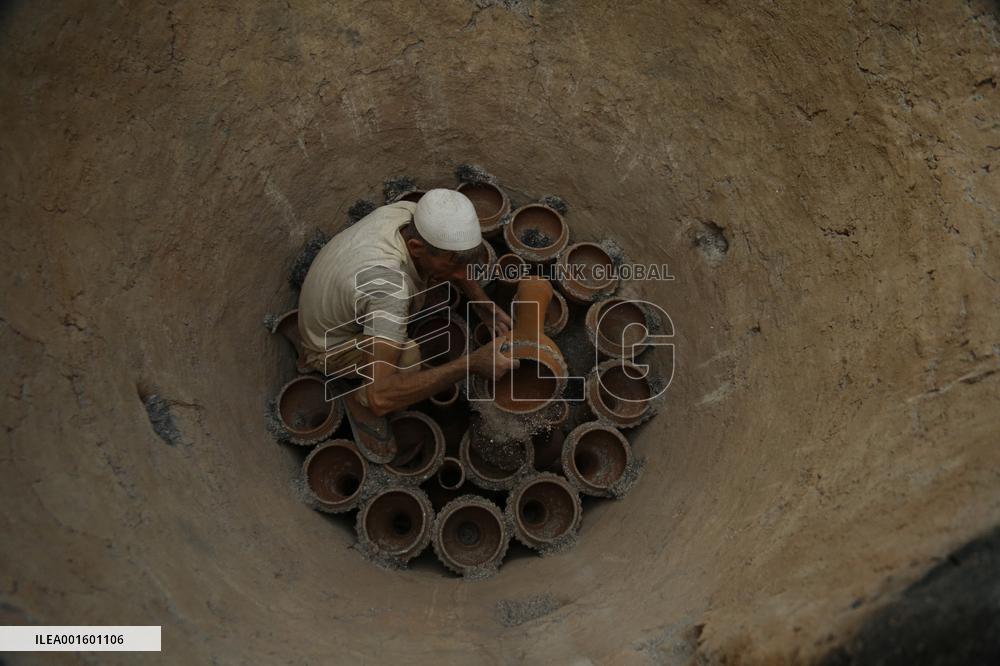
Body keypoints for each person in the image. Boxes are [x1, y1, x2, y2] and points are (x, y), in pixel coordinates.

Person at [297, 188, 517, 457]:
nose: (461, 274)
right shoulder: (390, 289)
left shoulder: (410, 213)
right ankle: (357, 402)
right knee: (408, 356)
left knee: (430, 283)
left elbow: (455, 259)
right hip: (327, 344)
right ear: (415, 248)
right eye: (453, 265)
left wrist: (481, 302)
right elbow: (381, 396)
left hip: (333, 299)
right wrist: (472, 363)